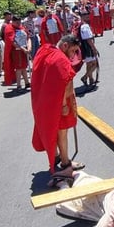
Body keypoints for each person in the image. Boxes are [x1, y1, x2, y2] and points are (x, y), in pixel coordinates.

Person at [30, 34, 85, 182]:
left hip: (45, 102)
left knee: (52, 130)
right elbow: (66, 83)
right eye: (73, 51)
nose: (73, 55)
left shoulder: (45, 50)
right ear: (65, 45)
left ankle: (56, 157)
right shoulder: (61, 60)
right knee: (61, 132)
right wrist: (64, 105)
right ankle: (66, 162)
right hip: (58, 103)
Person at [78, 13, 99, 88]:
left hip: (84, 46)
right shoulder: (85, 26)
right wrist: (94, 49)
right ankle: (85, 77)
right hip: (87, 46)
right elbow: (88, 39)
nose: (88, 17)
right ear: (82, 17)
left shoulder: (80, 25)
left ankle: (91, 79)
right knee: (94, 64)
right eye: (86, 16)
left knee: (89, 64)